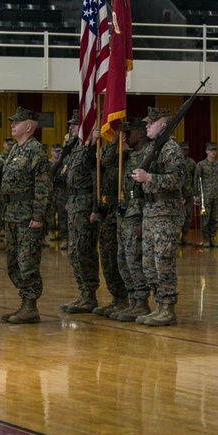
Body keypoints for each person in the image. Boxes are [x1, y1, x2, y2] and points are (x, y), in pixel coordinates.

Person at [131, 107, 186, 326]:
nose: (147, 126)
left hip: (167, 212)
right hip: (151, 211)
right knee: (148, 263)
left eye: (151, 123)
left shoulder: (171, 149)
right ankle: (158, 306)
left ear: (163, 125)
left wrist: (149, 178)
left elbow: (177, 180)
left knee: (163, 261)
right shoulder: (152, 148)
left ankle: (168, 308)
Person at [0, 107, 52, 325]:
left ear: (28, 127)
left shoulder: (35, 150)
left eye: (17, 122)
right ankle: (24, 303)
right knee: (13, 263)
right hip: (11, 213)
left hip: (27, 215)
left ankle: (30, 306)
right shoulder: (15, 149)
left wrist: (38, 216)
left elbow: (43, 186)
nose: (12, 125)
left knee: (27, 262)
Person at [110, 118, 153, 322]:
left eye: (130, 131)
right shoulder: (126, 155)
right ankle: (133, 301)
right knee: (122, 259)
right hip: (123, 211)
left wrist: (144, 220)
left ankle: (142, 303)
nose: (126, 135)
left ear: (142, 133)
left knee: (134, 260)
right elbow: (106, 161)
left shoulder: (149, 154)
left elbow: (149, 190)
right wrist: (115, 138)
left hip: (137, 213)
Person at [60, 110, 101, 314]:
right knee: (73, 252)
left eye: (75, 124)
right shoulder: (75, 147)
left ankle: (89, 295)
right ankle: (83, 292)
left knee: (84, 251)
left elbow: (96, 178)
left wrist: (95, 208)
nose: (71, 127)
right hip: (73, 204)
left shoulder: (90, 148)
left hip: (85, 206)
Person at [93, 126, 127, 317]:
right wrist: (114, 141)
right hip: (107, 213)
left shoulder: (130, 158)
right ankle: (116, 298)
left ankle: (125, 299)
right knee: (106, 258)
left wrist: (119, 143)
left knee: (118, 258)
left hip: (120, 213)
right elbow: (104, 161)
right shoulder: (114, 159)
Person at [196, 142, 218, 248]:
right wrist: (197, 195)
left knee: (215, 219)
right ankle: (205, 239)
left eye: (215, 150)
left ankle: (212, 238)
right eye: (211, 150)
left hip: (216, 195)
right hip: (205, 196)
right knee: (205, 219)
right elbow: (196, 181)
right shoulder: (200, 165)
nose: (213, 152)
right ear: (206, 151)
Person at [49, 143, 68, 245]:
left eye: (59, 151)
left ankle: (64, 237)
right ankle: (50, 234)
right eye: (55, 151)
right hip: (52, 192)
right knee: (50, 215)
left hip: (62, 193)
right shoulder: (48, 163)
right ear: (51, 152)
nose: (57, 153)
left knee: (63, 215)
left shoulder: (64, 164)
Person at [179, 141, 195, 245]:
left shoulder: (192, 162)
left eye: (187, 149)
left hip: (189, 194)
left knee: (188, 216)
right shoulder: (177, 161)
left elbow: (195, 179)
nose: (186, 151)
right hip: (178, 195)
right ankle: (176, 237)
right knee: (178, 216)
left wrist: (195, 193)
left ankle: (184, 236)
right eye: (184, 149)